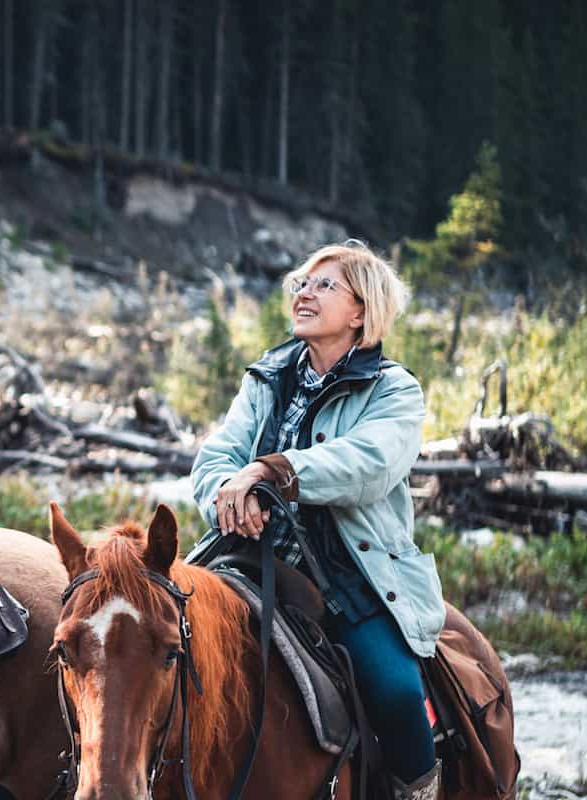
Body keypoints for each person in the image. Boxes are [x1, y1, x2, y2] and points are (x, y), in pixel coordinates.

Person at [188, 241, 445, 800]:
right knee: (145, 639)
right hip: (245, 555)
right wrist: (228, 500)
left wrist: (270, 471)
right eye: (301, 282)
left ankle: (418, 793)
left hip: (347, 571)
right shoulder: (267, 377)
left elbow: (368, 465)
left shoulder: (394, 389)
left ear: (361, 311)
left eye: (324, 285)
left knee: (398, 692)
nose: (303, 292)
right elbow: (215, 459)